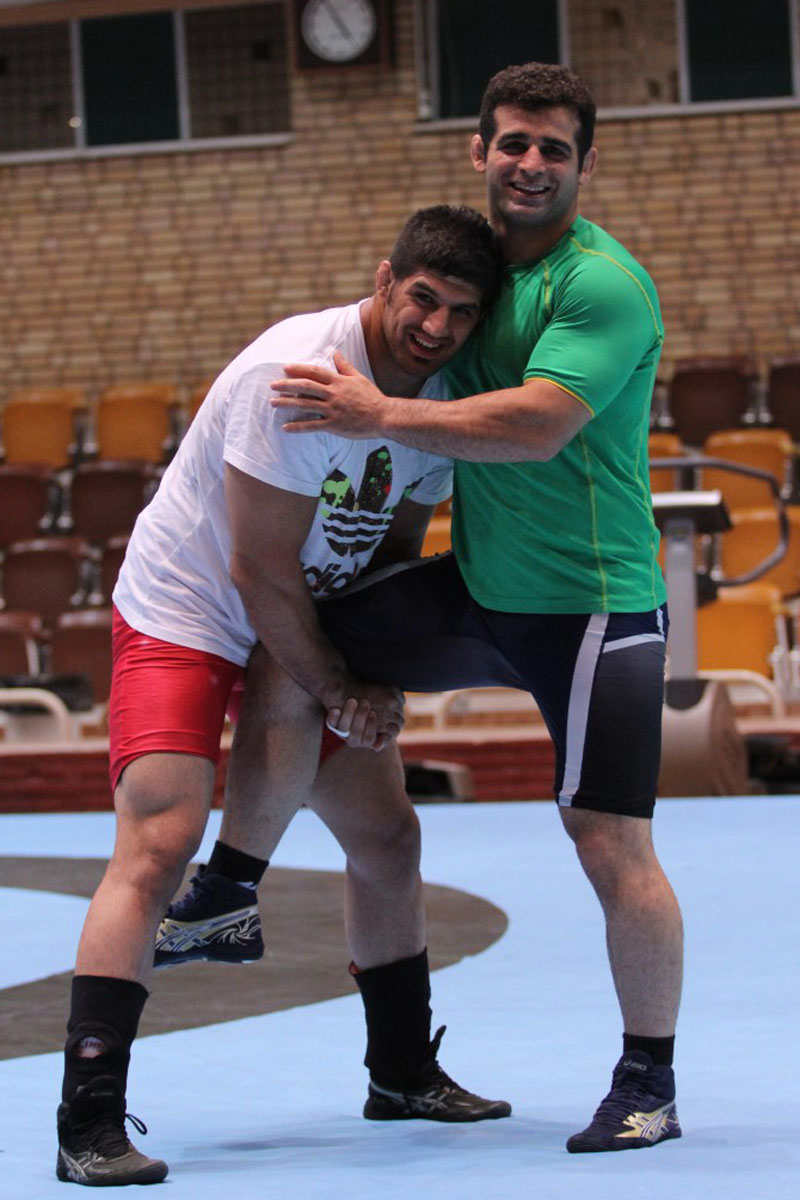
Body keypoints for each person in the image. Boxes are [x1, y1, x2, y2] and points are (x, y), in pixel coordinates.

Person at [176, 61, 684, 1156]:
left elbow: (538, 424)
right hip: (480, 591)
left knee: (607, 839)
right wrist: (349, 681)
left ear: (585, 164)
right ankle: (229, 885)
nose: (531, 163)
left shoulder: (601, 286)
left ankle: (649, 1080)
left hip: (591, 608)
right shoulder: (475, 278)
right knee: (305, 637)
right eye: (514, 142)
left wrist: (372, 412)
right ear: (479, 150)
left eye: (553, 148)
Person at [55, 204, 511, 1188]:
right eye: (422, 299)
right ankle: (87, 1117)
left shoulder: (436, 407)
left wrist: (372, 677)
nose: (435, 327)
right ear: (384, 281)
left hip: (306, 614)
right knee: (159, 841)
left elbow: (391, 553)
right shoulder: (295, 375)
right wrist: (339, 685)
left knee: (388, 839)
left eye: (460, 313)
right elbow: (258, 573)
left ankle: (401, 1072)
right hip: (191, 611)